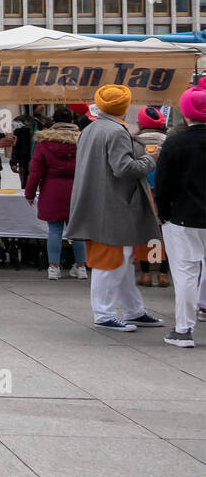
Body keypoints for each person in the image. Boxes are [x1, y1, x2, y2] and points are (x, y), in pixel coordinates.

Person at [64, 85, 162, 332]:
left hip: (101, 203)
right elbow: (124, 169)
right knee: (112, 262)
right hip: (115, 206)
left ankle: (133, 310)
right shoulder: (116, 131)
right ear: (125, 106)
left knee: (121, 261)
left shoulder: (90, 129)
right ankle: (105, 313)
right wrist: (151, 159)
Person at [154, 84, 206, 348]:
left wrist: (162, 213)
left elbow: (163, 183)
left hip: (183, 216)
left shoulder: (175, 142)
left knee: (185, 272)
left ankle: (184, 329)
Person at [23, 107, 88, 280]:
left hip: (52, 189)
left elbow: (35, 172)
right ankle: (81, 267)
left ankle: (54, 267)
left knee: (54, 230)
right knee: (78, 230)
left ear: (53, 120)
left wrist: (29, 193)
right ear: (72, 121)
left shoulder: (44, 142)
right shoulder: (84, 141)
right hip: (77, 190)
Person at [133, 106, 170, 288]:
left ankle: (146, 274)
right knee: (164, 235)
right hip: (164, 192)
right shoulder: (169, 142)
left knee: (147, 233)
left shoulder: (135, 142)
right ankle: (163, 274)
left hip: (143, 191)